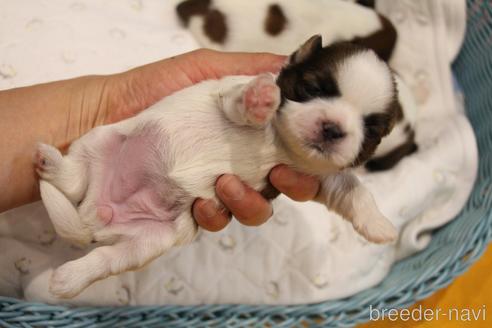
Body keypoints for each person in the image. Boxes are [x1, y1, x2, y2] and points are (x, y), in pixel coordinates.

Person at [0, 49, 320, 232]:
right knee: (102, 151)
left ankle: (81, 193)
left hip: (162, 190)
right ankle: (73, 181)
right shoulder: (265, 88)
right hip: (146, 144)